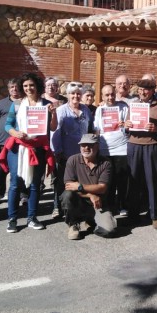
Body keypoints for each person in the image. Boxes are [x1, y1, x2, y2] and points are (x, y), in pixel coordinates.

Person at [2, 72, 58, 232]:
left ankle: (32, 218)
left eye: (31, 85)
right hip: (18, 148)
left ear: (37, 86)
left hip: (38, 148)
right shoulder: (17, 104)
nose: (28, 88)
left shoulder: (47, 104)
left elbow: (53, 127)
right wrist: (15, 133)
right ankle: (12, 219)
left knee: (35, 185)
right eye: (25, 86)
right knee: (15, 184)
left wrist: (53, 113)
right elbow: (8, 125)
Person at [125, 77, 157, 229]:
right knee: (133, 181)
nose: (142, 92)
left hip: (152, 146)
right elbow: (126, 125)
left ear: (152, 91)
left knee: (154, 181)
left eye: (146, 89)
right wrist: (127, 125)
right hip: (134, 145)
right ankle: (133, 214)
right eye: (140, 89)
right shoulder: (133, 105)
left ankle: (155, 215)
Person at [61, 133, 116, 240]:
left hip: (98, 204)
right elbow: (69, 186)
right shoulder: (72, 160)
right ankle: (73, 224)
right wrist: (90, 195)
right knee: (67, 195)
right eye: (83, 145)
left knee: (109, 231)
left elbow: (102, 188)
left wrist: (80, 186)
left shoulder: (106, 163)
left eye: (90, 145)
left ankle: (91, 221)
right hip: (80, 201)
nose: (86, 148)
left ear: (97, 146)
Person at [51, 82, 93, 219]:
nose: (75, 96)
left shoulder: (86, 110)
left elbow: (90, 130)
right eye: (72, 93)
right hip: (65, 153)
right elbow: (56, 132)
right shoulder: (61, 110)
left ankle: (76, 207)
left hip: (82, 154)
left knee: (79, 182)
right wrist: (57, 151)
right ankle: (57, 207)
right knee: (61, 181)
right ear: (68, 95)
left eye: (78, 93)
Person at [0, 78, 26, 206]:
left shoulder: (25, 103)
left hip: (20, 143)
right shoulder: (1, 104)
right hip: (2, 144)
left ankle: (23, 194)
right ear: (8, 89)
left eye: (16, 87)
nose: (14, 90)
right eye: (11, 87)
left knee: (20, 171)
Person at [93, 84, 130, 215]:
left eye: (112, 94)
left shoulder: (123, 106)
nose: (110, 97)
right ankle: (109, 206)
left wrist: (125, 125)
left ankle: (123, 205)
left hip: (121, 148)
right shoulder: (99, 110)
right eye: (107, 95)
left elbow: (129, 126)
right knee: (108, 180)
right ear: (102, 97)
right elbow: (96, 130)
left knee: (122, 179)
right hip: (105, 149)